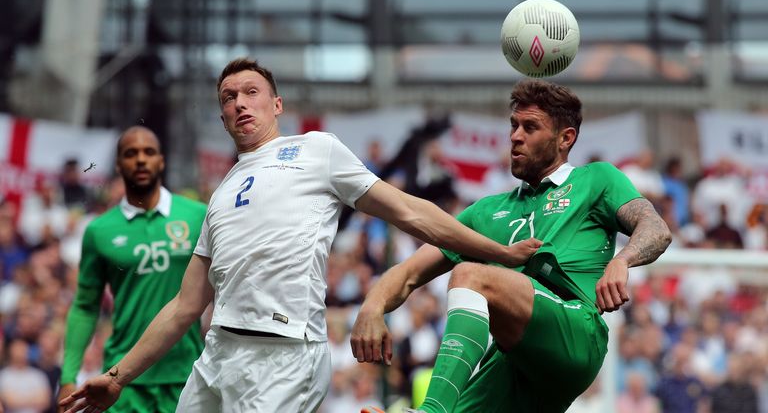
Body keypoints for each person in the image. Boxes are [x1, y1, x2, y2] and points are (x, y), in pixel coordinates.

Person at [61, 58, 540, 413]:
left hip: (284, 356)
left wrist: (495, 251)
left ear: (277, 104)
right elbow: (184, 306)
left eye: (250, 92)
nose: (239, 102)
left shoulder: (316, 151)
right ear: (222, 117)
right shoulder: (222, 191)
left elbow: (410, 212)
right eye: (228, 98)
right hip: (217, 356)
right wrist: (117, 377)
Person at [353, 79, 672, 413]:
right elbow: (407, 273)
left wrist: (622, 260)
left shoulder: (595, 180)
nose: (516, 136)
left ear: (565, 138)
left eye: (530, 127)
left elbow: (655, 228)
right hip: (513, 356)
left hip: (575, 332)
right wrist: (372, 306)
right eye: (514, 125)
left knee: (470, 276)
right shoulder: (486, 212)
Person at [57, 126, 208, 413]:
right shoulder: (99, 231)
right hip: (121, 381)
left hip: (187, 376)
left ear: (161, 161)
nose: (140, 159)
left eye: (148, 152)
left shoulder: (198, 216)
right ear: (118, 164)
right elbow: (86, 306)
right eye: (131, 153)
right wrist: (68, 376)